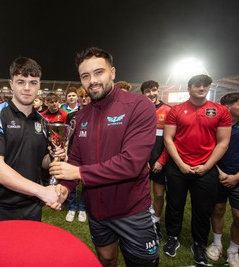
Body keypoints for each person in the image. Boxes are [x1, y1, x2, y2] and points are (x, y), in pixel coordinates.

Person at [49, 47, 159, 267]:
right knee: (106, 259)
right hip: (97, 211)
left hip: (132, 210)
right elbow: (76, 159)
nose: (92, 81)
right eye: (85, 76)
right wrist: (65, 187)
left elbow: (131, 163)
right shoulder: (82, 115)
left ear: (113, 73)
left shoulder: (139, 106)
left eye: (99, 72)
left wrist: (79, 173)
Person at [0, 57, 66, 225]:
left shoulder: (43, 122)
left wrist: (54, 155)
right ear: (11, 84)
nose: (27, 88)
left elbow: (42, 162)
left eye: (33, 82)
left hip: (31, 206)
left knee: (27, 252)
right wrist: (42, 191)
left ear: (39, 86)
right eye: (21, 82)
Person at [163, 74, 232, 265]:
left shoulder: (220, 111)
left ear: (209, 87)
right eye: (197, 85)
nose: (201, 88)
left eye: (205, 85)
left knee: (202, 209)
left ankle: (199, 243)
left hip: (206, 168)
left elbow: (223, 141)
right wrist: (181, 164)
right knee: (174, 205)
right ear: (189, 88)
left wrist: (207, 166)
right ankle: (173, 238)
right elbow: (168, 139)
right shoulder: (176, 110)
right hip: (178, 167)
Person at [206, 92, 239, 267]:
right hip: (217, 175)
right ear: (228, 107)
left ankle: (233, 251)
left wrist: (238, 176)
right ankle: (217, 243)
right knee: (217, 210)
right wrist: (219, 172)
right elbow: (207, 151)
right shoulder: (214, 126)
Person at [140, 80, 171, 240]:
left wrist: (162, 161)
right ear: (143, 93)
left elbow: (171, 140)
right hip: (142, 162)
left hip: (160, 162)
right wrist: (141, 160)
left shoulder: (168, 110)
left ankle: (156, 222)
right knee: (141, 193)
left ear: (158, 90)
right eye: (147, 91)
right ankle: (143, 221)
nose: (151, 94)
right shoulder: (139, 110)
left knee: (159, 194)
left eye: (153, 90)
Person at [65, 87, 90, 223]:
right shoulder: (72, 115)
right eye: (82, 97)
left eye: (87, 96)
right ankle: (72, 207)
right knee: (72, 180)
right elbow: (67, 135)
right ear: (79, 99)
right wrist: (66, 150)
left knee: (87, 182)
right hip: (73, 153)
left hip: (90, 154)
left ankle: (83, 208)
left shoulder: (98, 114)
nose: (85, 99)